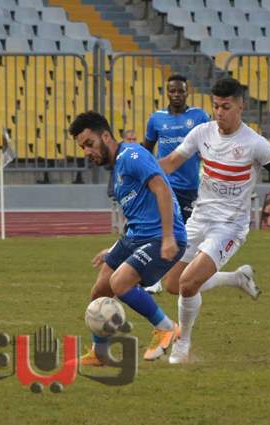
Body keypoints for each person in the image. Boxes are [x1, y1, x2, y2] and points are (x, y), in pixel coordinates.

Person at [158, 77, 270, 364]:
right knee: (171, 283)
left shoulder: (255, 144)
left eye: (225, 107)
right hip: (199, 219)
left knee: (187, 284)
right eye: (216, 106)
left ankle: (182, 345)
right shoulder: (202, 133)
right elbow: (170, 162)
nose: (219, 113)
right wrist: (141, 170)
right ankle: (237, 278)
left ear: (240, 106)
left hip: (229, 227)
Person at [69, 112, 187, 364]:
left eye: (89, 143)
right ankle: (100, 353)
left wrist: (168, 237)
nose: (87, 152)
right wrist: (113, 248)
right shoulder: (118, 170)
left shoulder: (132, 155)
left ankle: (166, 327)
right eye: (82, 147)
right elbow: (137, 214)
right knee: (100, 290)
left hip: (161, 236)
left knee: (119, 283)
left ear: (106, 136)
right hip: (137, 236)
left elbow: (162, 188)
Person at [143, 75, 210, 294]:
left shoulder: (199, 116)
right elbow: (146, 150)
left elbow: (210, 145)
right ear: (167, 92)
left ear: (187, 92)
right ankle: (154, 278)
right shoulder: (156, 119)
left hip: (190, 187)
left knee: (186, 236)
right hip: (165, 184)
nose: (177, 95)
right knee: (161, 230)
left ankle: (185, 274)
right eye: (173, 91)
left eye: (180, 91)